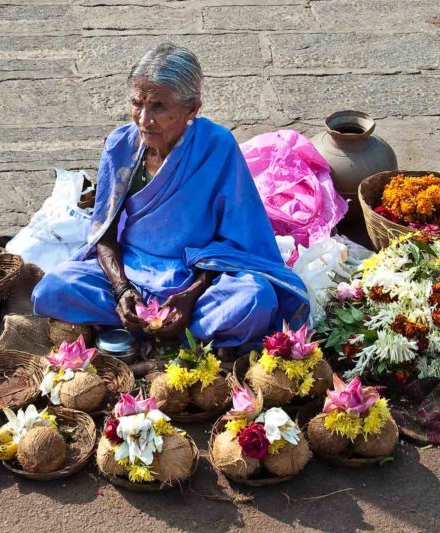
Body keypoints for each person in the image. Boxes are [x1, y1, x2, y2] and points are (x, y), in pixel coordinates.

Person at [32, 43, 309, 359]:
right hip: (132, 269)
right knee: (54, 287)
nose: (144, 120)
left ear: (192, 109)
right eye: (137, 104)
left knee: (256, 301)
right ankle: (165, 328)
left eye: (159, 107)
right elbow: (103, 235)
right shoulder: (120, 146)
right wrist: (122, 290)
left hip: (197, 274)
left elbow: (238, 242)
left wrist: (190, 296)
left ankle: (161, 328)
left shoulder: (217, 146)